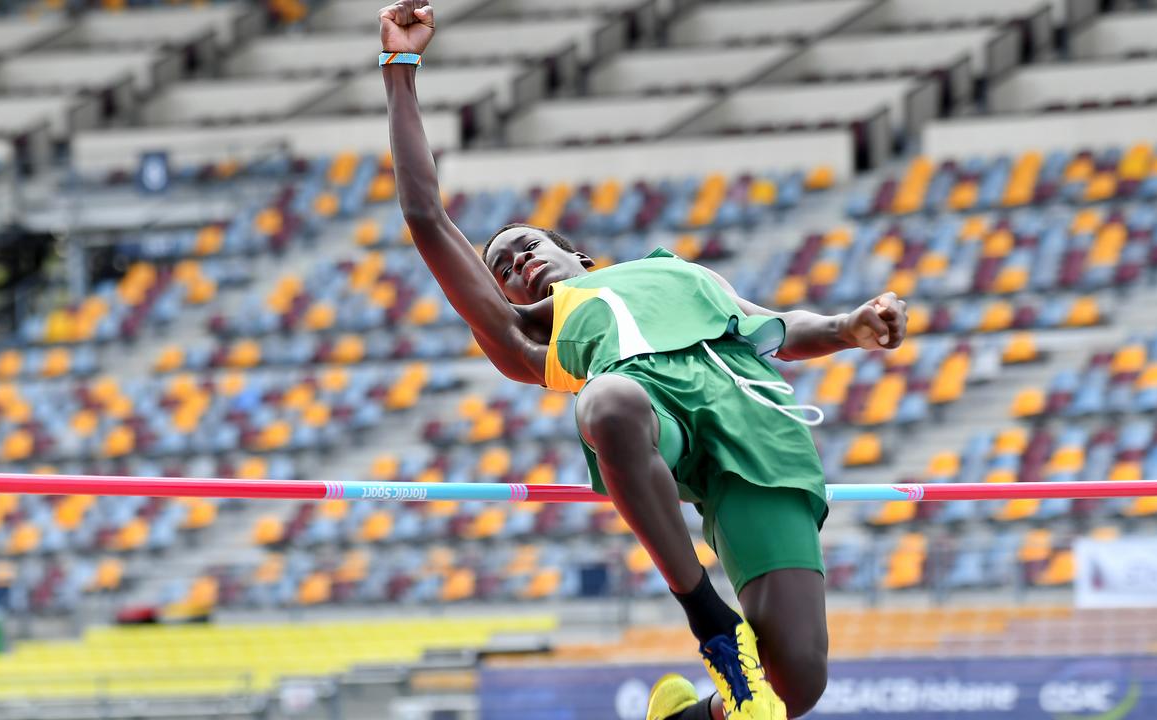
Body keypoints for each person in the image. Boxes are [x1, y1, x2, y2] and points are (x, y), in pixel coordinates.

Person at [378, 3, 908, 718]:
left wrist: (851, 324)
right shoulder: (529, 330)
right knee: (607, 404)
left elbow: (774, 327)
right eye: (501, 266)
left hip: (756, 422)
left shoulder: (674, 274)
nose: (517, 262)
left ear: (579, 254)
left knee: (798, 684)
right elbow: (424, 217)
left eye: (529, 245)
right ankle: (711, 624)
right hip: (650, 412)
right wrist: (400, 71)